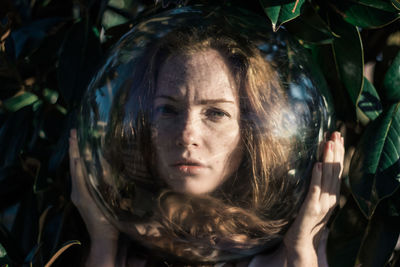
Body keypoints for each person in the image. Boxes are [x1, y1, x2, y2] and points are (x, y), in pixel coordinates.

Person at [69, 27, 345, 266]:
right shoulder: (123, 242)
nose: (187, 134)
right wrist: (103, 240)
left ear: (251, 133)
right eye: (167, 110)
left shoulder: (290, 249)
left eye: (215, 113)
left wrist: (301, 249)